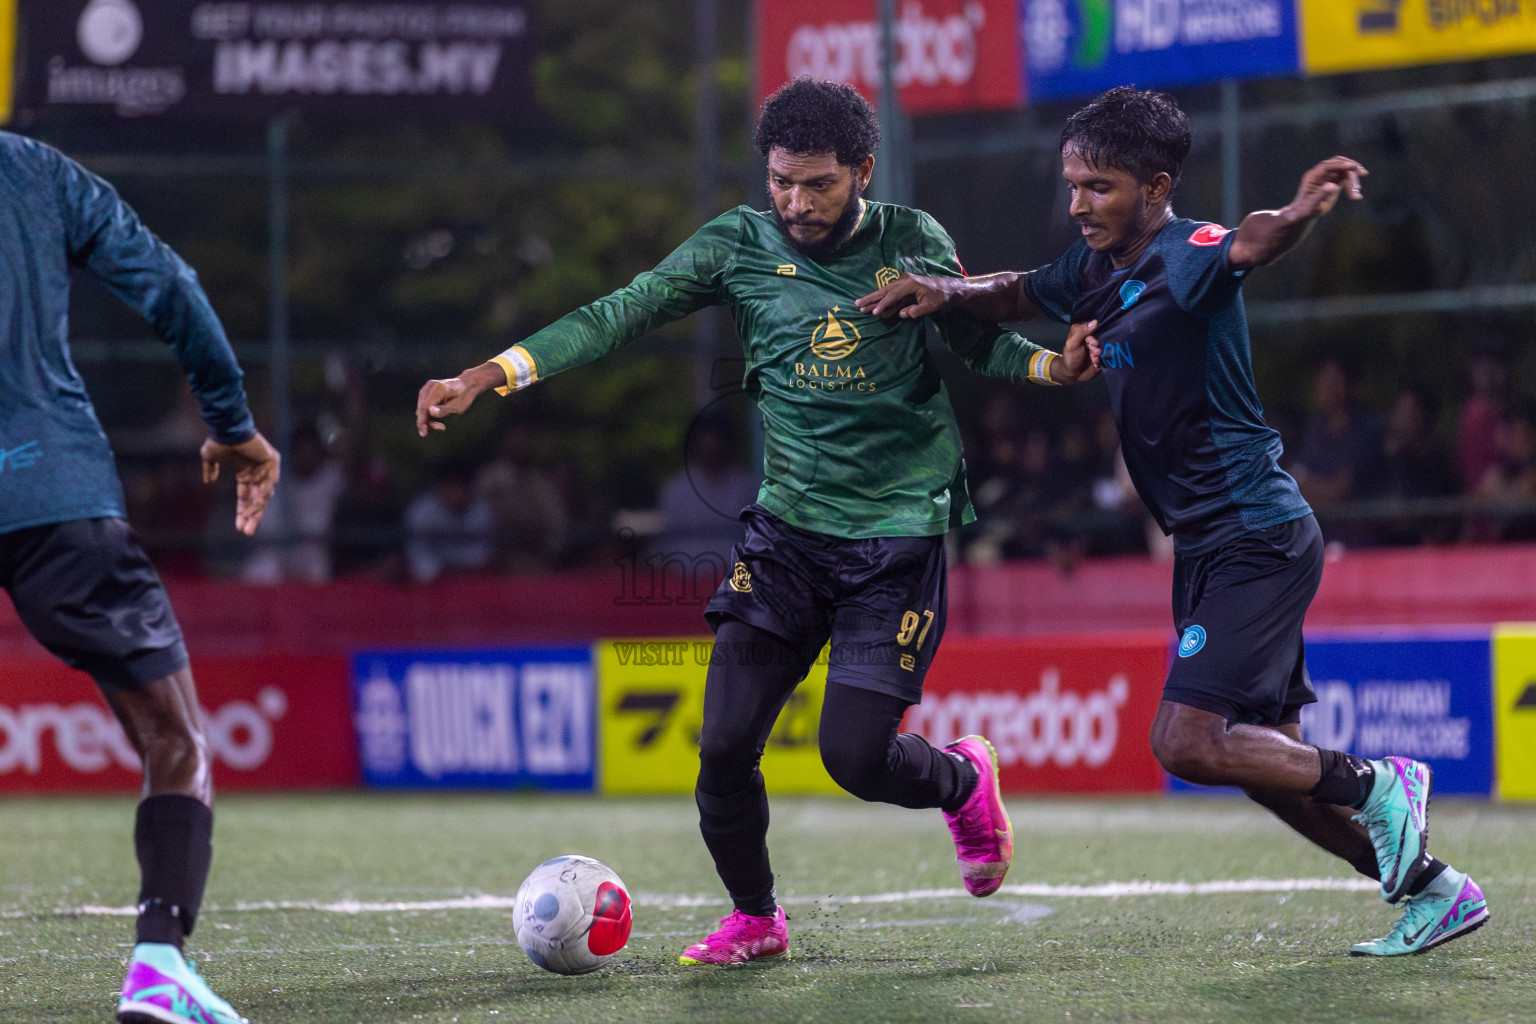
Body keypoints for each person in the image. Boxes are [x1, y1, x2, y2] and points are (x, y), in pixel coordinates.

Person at [416, 76, 1098, 965]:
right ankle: (757, 918)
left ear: (862, 169)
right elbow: (617, 313)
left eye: (817, 183)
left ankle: (963, 778)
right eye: (781, 180)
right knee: (724, 746)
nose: (795, 201)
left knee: (854, 760)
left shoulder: (911, 239)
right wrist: (490, 374)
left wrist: (1053, 370)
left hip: (894, 535)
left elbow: (974, 338)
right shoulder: (735, 245)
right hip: (786, 536)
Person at [858, 86, 1488, 957]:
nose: (1078, 204)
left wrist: (1304, 208)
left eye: (1099, 187)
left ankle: (1380, 781)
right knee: (1272, 773)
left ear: (1155, 187)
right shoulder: (1094, 267)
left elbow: (1252, 239)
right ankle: (1433, 890)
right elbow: (1015, 293)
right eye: (1073, 184)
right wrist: (942, 287)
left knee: (1185, 741)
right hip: (1208, 545)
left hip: (1254, 534)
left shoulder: (1184, 253)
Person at [0, 132, 278, 1023]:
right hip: (50, 488)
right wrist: (232, 420)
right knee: (176, 736)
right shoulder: (35, 171)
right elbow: (171, 285)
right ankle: (158, 963)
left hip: (53, 489)